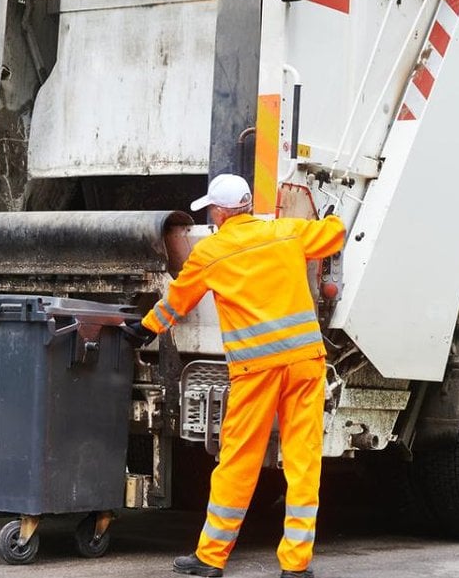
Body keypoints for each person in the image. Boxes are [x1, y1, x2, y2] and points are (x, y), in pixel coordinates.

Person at [126, 174, 346, 578]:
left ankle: (211, 558)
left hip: (255, 371)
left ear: (222, 212)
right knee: (303, 462)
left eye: (212, 209)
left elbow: (176, 303)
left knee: (238, 461)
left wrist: (142, 329)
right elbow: (333, 235)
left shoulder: (211, 252)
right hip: (304, 364)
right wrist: (333, 212)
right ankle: (296, 566)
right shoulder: (286, 232)